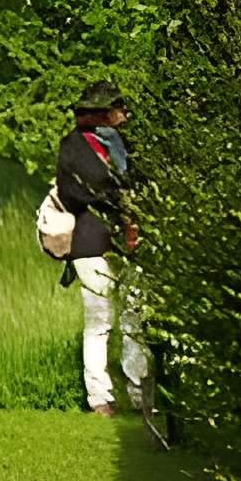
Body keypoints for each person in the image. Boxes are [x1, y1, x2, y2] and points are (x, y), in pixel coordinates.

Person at [55, 79, 152, 419]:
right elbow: (70, 194)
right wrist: (113, 199)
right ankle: (100, 398)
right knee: (99, 323)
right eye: (119, 109)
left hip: (128, 242)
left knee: (133, 320)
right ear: (103, 113)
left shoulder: (126, 146)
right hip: (91, 243)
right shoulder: (73, 145)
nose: (125, 114)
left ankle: (139, 394)